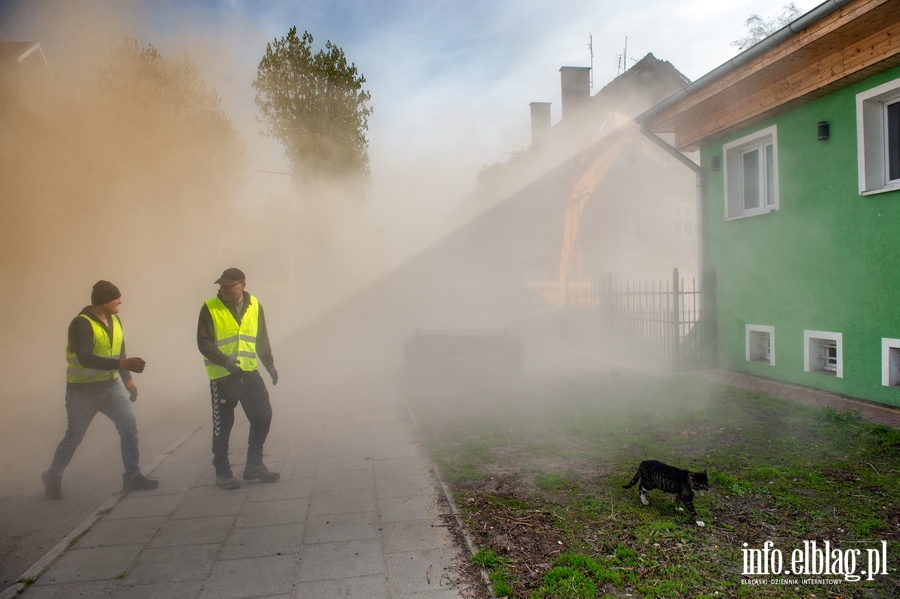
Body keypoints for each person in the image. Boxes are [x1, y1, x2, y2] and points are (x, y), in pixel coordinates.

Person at [42, 280, 159, 500]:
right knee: (74, 438)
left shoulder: (115, 320)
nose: (120, 302)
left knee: (128, 427)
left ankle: (132, 476)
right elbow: (85, 358)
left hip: (110, 387)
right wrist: (122, 365)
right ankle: (52, 475)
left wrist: (127, 380)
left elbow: (120, 351)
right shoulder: (81, 324)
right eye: (117, 298)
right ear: (105, 301)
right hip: (82, 392)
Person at [197, 267, 280, 490]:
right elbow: (203, 342)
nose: (223, 289)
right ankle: (222, 472)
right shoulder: (210, 308)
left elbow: (261, 338)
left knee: (263, 416)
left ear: (243, 285)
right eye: (221, 285)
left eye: (228, 285)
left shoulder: (255, 305)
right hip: (223, 376)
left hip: (249, 373)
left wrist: (269, 364)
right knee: (223, 426)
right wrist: (224, 361)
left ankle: (254, 465)